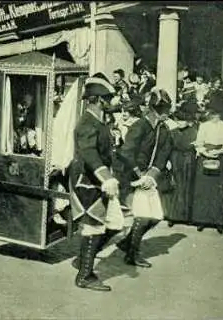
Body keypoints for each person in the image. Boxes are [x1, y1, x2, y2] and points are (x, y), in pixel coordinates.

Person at [68, 73, 123, 292]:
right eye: (108, 98)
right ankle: (85, 275)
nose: (111, 103)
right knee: (94, 226)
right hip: (87, 181)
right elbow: (89, 152)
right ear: (99, 100)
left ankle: (83, 259)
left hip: (98, 181)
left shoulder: (100, 122)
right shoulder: (86, 122)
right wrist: (106, 177)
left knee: (115, 223)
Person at [115, 88, 173, 268]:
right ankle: (132, 254)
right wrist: (139, 175)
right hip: (132, 175)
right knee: (144, 215)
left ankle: (127, 243)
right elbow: (125, 152)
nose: (167, 113)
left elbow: (164, 155)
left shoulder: (164, 130)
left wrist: (151, 175)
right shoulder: (140, 126)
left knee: (156, 216)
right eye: (163, 110)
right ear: (154, 109)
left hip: (149, 177)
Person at [191, 102, 223, 232]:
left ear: (221, 114)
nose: (214, 117)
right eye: (212, 114)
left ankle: (219, 221)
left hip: (220, 157)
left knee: (218, 191)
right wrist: (204, 152)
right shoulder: (204, 126)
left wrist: (219, 152)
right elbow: (199, 142)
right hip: (205, 157)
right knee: (204, 189)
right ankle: (202, 220)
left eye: (217, 114)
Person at [165, 100, 199, 226]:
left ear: (188, 121)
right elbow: (167, 148)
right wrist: (168, 161)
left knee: (188, 187)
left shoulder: (193, 131)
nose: (180, 123)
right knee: (176, 187)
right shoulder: (172, 132)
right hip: (176, 159)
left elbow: (197, 147)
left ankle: (187, 216)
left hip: (189, 160)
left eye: (183, 120)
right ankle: (173, 216)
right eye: (178, 120)